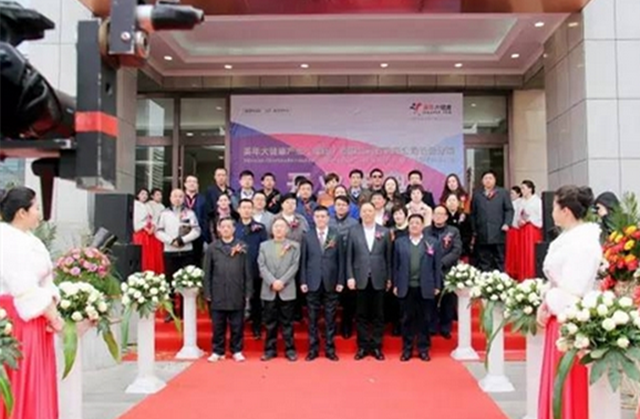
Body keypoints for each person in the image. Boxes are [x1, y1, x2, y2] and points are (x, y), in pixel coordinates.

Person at [536, 186, 601, 419]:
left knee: (567, 382)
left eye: (554, 206)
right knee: (557, 380)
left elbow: (574, 287)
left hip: (570, 318)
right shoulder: (568, 238)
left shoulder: (583, 242)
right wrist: (546, 301)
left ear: (565, 211)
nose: (552, 211)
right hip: (558, 314)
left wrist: (549, 300)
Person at [0, 187, 62, 419]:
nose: (39, 213)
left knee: (38, 379)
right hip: (17, 320)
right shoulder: (7, 240)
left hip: (37, 317)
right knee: (23, 380)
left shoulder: (29, 239)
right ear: (22, 213)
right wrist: (52, 316)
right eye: (36, 208)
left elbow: (46, 280)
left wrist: (51, 303)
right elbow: (23, 288)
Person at [346, 202, 392, 360]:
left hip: (379, 277)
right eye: (364, 211)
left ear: (375, 212)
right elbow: (349, 257)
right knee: (361, 315)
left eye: (370, 211)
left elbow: (388, 257)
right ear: (360, 214)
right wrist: (350, 276)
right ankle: (363, 346)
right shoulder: (353, 231)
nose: (367, 214)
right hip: (360, 278)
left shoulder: (384, 232)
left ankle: (377, 346)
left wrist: (389, 278)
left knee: (379, 315)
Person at [203, 217, 252, 363]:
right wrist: (207, 292)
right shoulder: (212, 248)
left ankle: (237, 350)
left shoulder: (242, 246)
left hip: (237, 291)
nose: (225, 229)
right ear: (218, 229)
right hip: (217, 291)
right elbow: (207, 271)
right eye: (223, 226)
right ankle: (218, 351)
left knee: (237, 325)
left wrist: (248, 292)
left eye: (228, 226)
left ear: (234, 229)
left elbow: (247, 271)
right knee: (218, 325)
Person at [393, 214, 441, 361]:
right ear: (408, 225)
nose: (414, 225)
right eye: (412, 223)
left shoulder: (432, 242)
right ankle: (407, 349)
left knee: (425, 320)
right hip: (406, 286)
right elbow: (395, 266)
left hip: (425, 286)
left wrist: (437, 284)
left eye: (417, 223)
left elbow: (437, 266)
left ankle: (423, 349)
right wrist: (395, 284)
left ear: (422, 226)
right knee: (406, 319)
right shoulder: (400, 243)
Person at [300, 206, 343, 361]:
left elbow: (341, 260)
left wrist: (340, 280)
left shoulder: (335, 235)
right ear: (313, 218)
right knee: (312, 318)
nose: (320, 219)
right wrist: (303, 280)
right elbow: (303, 260)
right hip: (312, 281)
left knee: (330, 318)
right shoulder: (307, 236)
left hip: (331, 281)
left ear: (328, 218)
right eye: (317, 216)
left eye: (323, 216)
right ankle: (313, 349)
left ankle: (330, 349)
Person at [258, 219, 301, 361]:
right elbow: (261, 265)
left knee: (287, 322)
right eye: (276, 226)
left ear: (287, 229)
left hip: (286, 288)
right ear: (272, 229)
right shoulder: (264, 246)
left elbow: (294, 266)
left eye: (282, 226)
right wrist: (272, 282)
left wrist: (282, 281)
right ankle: (270, 350)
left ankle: (290, 350)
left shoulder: (294, 246)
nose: (278, 229)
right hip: (269, 289)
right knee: (270, 322)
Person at [155, 188, 202, 321]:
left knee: (186, 281)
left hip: (186, 251)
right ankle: (171, 311)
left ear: (183, 198)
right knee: (170, 282)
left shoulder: (190, 213)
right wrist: (171, 241)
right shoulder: (164, 213)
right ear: (170, 198)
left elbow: (196, 231)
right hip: (170, 252)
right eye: (175, 196)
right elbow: (158, 232)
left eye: (180, 196)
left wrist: (183, 240)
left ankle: (184, 310)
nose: (177, 199)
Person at [424, 206, 462, 339]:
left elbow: (456, 251)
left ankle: (446, 327)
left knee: (447, 301)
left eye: (441, 214)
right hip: (429, 271)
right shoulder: (426, 231)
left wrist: (441, 262)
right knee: (430, 300)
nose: (438, 216)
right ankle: (431, 326)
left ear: (446, 217)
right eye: (436, 214)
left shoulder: (453, 231)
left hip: (447, 270)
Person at [234, 199, 268, 339]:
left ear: (253, 210)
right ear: (239, 210)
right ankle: (238, 328)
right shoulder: (233, 227)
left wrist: (262, 268)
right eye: (244, 207)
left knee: (256, 300)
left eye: (249, 207)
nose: (247, 210)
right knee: (238, 299)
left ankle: (256, 327)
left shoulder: (260, 228)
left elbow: (264, 248)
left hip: (255, 268)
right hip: (237, 269)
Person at [470, 170, 514, 272]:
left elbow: (509, 210)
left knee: (500, 259)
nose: (488, 180)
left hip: (499, 232)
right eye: (486, 178)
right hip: (482, 233)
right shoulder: (477, 194)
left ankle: (500, 279)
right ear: (482, 181)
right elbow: (473, 213)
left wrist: (507, 223)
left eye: (490, 178)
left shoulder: (503, 193)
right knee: (484, 260)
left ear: (495, 180)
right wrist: (474, 229)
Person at [329, 195, 359, 339]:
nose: (341, 207)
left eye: (343, 205)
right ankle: (331, 326)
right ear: (334, 207)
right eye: (338, 205)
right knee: (331, 298)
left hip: (349, 262)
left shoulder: (354, 223)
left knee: (349, 298)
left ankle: (346, 325)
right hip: (332, 263)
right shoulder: (328, 221)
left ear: (348, 207)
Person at [132, 188, 164, 273]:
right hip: (142, 232)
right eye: (142, 194)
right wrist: (145, 228)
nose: (144, 196)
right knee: (144, 255)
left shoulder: (148, 205)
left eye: (146, 194)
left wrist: (153, 227)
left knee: (153, 254)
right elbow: (136, 221)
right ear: (138, 195)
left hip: (151, 232)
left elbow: (152, 218)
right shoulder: (135, 205)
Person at [516, 180, 543, 280]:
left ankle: (531, 275)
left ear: (530, 189)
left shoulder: (537, 201)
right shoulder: (521, 201)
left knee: (531, 252)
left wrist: (528, 220)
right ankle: (523, 275)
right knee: (523, 252)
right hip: (523, 229)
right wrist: (520, 221)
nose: (522, 190)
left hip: (532, 229)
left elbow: (540, 216)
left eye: (524, 188)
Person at [184, 175, 209, 264]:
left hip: (199, 234)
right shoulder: (180, 198)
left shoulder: (203, 199)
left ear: (197, 185)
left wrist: (205, 238)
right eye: (189, 181)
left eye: (194, 182)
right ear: (185, 184)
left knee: (197, 261)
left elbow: (206, 219)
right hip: (183, 235)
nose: (192, 184)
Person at [445, 193, 473, 261]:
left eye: (454, 200)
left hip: (462, 249)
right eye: (449, 200)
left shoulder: (465, 217)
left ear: (458, 203)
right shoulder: (443, 217)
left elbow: (468, 235)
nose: (452, 203)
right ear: (446, 203)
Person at [505, 186, 523, 279]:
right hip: (511, 229)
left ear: (518, 194)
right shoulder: (511, 203)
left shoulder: (519, 203)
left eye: (513, 193)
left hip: (516, 229)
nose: (511, 195)